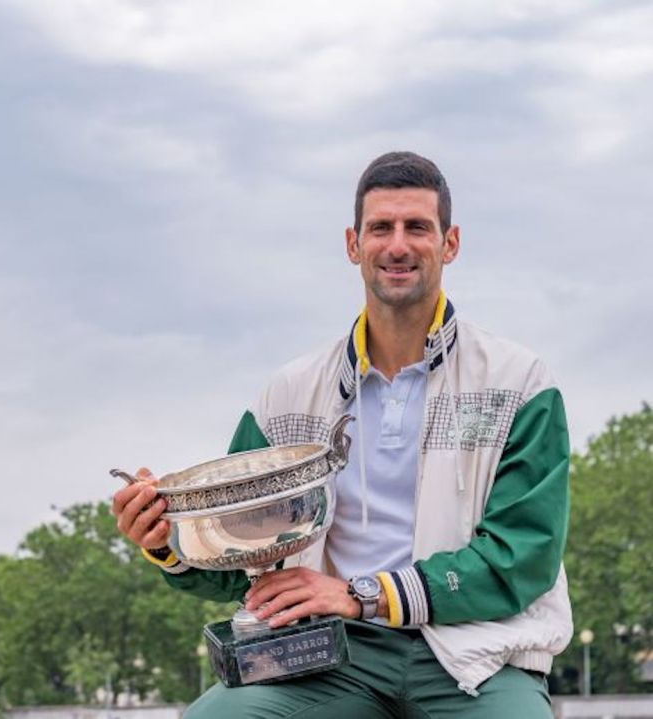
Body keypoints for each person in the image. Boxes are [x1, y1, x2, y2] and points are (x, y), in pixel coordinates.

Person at [111, 151, 571, 718]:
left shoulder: (519, 383)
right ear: (353, 244)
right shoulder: (288, 394)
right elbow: (243, 570)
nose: (397, 245)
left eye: (417, 228)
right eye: (381, 228)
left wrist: (360, 595)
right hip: (330, 656)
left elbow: (523, 558)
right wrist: (166, 544)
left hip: (477, 655)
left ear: (449, 244)